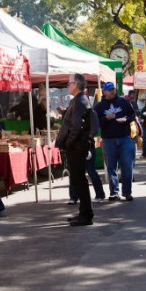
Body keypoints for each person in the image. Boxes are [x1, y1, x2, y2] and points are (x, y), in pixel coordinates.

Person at [56, 73, 95, 226]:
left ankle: (86, 215)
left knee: (80, 180)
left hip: (77, 146)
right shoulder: (78, 100)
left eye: (69, 83)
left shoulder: (80, 102)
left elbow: (76, 127)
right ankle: (83, 213)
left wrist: (69, 143)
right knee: (79, 180)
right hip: (77, 145)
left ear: (77, 84)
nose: (67, 85)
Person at [93, 81, 137, 201]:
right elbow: (96, 123)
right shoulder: (99, 106)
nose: (112, 91)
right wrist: (106, 119)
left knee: (127, 165)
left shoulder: (123, 102)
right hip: (108, 140)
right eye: (109, 90)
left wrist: (127, 119)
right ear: (104, 92)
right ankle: (114, 192)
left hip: (125, 138)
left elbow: (133, 115)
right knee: (111, 167)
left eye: (113, 89)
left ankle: (127, 192)